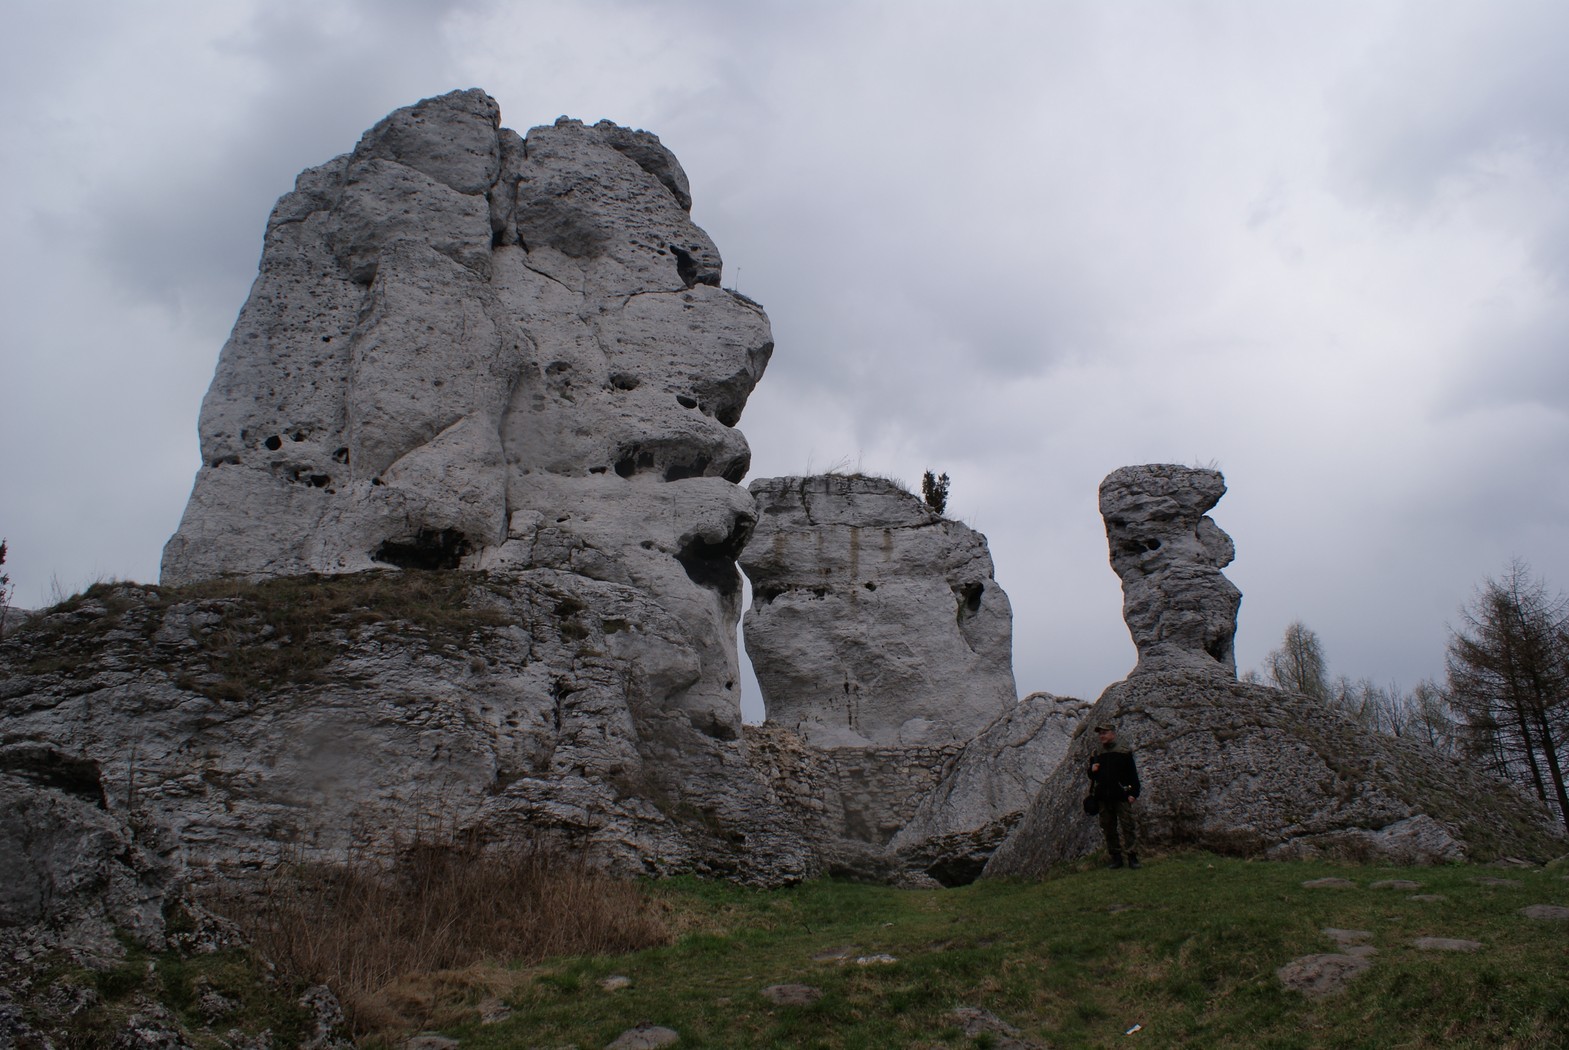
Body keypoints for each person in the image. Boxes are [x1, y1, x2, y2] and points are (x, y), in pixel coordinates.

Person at [1088, 722, 1141, 869]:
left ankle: (1132, 857)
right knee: (1108, 828)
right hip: (1103, 797)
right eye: (1100, 734)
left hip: (1121, 795)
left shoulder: (1123, 751)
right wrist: (1092, 770)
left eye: (1104, 733)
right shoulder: (1096, 753)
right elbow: (1092, 776)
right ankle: (1116, 858)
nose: (1102, 736)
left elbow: (1132, 774)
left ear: (1112, 733)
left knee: (1128, 826)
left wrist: (1133, 793)